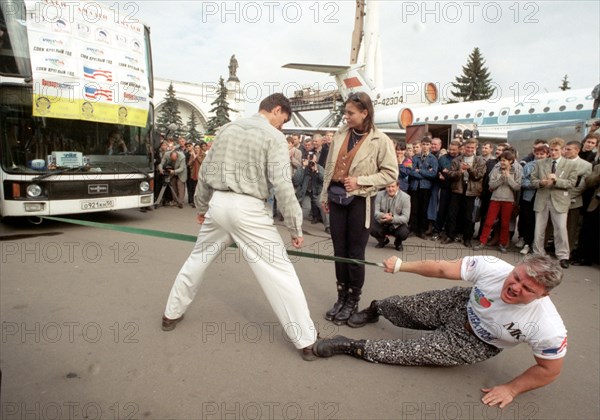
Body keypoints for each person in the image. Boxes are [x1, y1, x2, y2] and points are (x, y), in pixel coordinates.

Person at [161, 93, 318, 361]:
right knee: (279, 272)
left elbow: (207, 172)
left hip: (219, 204)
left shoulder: (226, 130)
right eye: (282, 120)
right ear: (277, 110)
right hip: (249, 210)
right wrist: (295, 227)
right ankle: (306, 340)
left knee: (197, 260)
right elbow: (282, 185)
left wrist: (201, 207)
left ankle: (170, 314)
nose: (281, 126)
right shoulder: (274, 137)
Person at [313, 254, 567, 409]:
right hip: (461, 304)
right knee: (404, 307)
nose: (514, 287)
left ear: (544, 294)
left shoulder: (548, 327)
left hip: (477, 342)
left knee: (413, 352)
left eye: (527, 289)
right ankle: (376, 309)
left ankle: (349, 346)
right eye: (516, 277)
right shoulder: (493, 267)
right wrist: (401, 265)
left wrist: (512, 389)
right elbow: (444, 269)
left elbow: (549, 370)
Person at [320, 91, 398, 326]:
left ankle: (353, 300)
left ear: (365, 113)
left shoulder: (380, 140)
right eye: (345, 112)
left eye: (350, 113)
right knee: (339, 251)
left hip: (359, 201)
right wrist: (324, 194)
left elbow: (391, 173)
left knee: (355, 253)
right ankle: (341, 297)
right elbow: (330, 166)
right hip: (336, 198)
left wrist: (360, 181)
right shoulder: (341, 134)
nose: (346, 117)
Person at [530, 138, 577, 269]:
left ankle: (563, 256)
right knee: (539, 228)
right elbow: (533, 180)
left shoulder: (570, 164)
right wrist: (541, 182)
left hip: (560, 200)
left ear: (562, 150)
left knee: (561, 229)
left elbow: (572, 183)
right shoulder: (540, 163)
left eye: (556, 150)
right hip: (542, 198)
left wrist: (557, 181)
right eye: (551, 150)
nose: (554, 152)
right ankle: (537, 253)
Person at [442, 139, 486, 247]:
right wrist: (459, 172)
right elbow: (450, 174)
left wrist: (470, 169)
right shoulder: (457, 160)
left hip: (471, 190)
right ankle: (450, 236)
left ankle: (467, 238)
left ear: (476, 148)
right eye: (468, 147)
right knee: (452, 214)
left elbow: (479, 176)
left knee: (468, 216)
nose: (470, 149)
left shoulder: (480, 160)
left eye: (472, 147)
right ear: (464, 147)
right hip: (457, 189)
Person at [475, 150, 522, 252]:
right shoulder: (496, 169)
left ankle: (503, 243)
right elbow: (491, 185)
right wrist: (501, 178)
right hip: (495, 199)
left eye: (504, 161)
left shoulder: (516, 171)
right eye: (501, 160)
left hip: (508, 200)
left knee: (505, 224)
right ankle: (482, 242)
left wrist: (508, 178)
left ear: (510, 161)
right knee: (488, 222)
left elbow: (517, 187)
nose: (502, 162)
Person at [370, 180, 410, 251]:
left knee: (403, 232)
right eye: (388, 187)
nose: (390, 189)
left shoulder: (405, 197)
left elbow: (405, 218)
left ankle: (398, 243)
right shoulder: (379, 194)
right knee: (370, 227)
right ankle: (383, 240)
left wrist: (392, 218)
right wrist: (383, 215)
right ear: (385, 187)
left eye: (393, 186)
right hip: (383, 221)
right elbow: (375, 211)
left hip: (397, 224)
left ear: (398, 186)